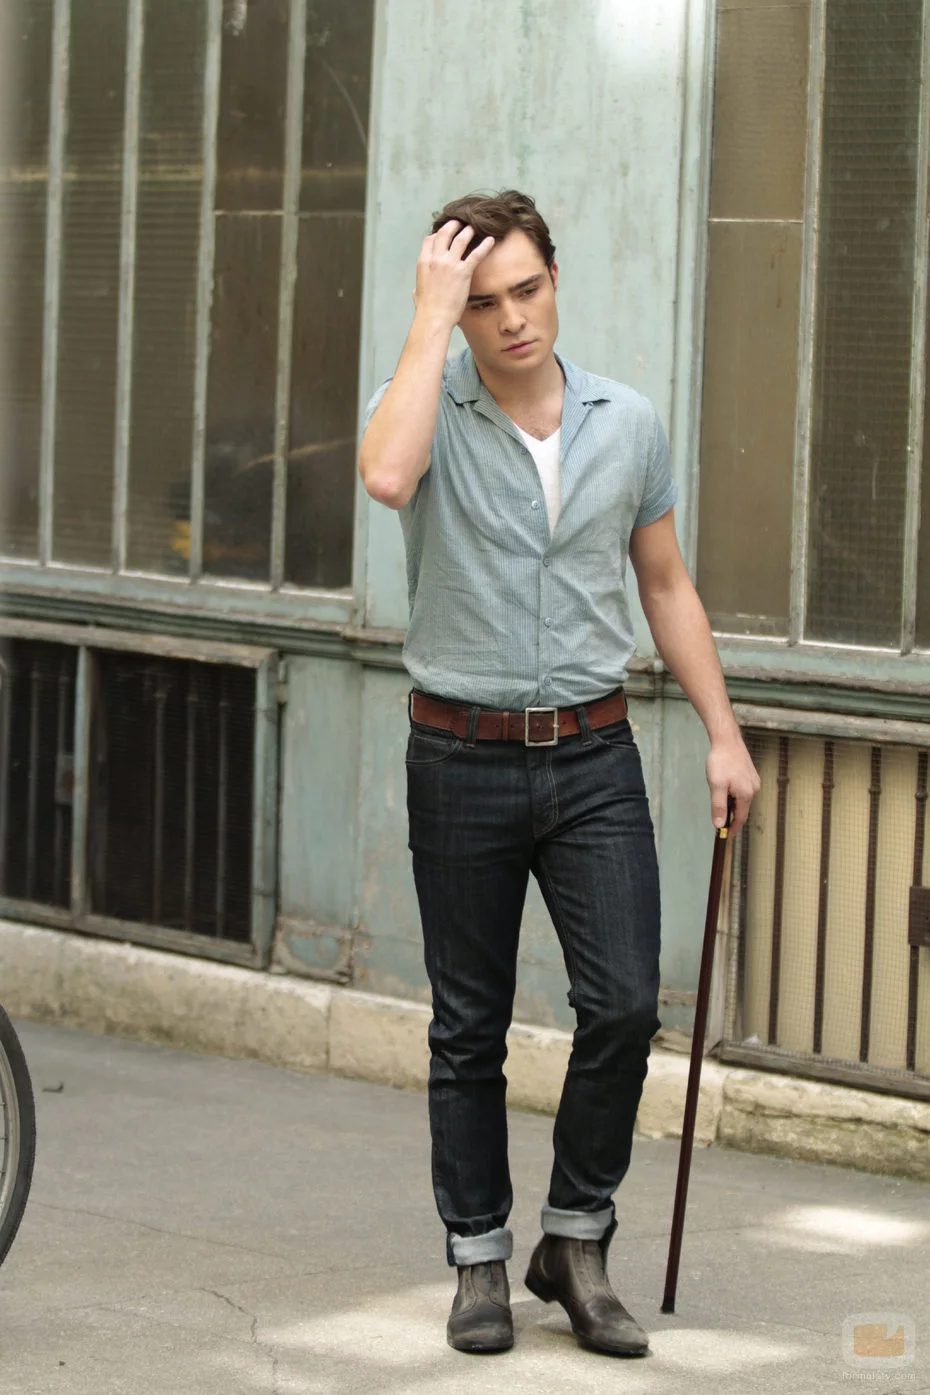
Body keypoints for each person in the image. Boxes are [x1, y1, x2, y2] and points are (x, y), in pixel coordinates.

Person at [357, 190, 759, 1357]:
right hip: (460, 756)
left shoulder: (626, 422)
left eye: (526, 290)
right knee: (468, 1027)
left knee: (625, 1003)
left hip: (593, 755)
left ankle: (574, 1242)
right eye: (483, 302)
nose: (512, 319)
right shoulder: (421, 405)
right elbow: (387, 479)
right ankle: (479, 1257)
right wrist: (428, 319)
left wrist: (724, 732)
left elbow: (665, 584)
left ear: (555, 281)